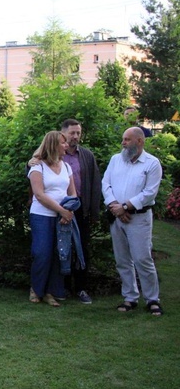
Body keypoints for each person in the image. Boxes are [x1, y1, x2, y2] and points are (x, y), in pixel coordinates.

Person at [102, 127, 163, 316]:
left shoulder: (152, 164)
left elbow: (149, 193)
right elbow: (106, 183)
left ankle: (152, 299)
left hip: (138, 218)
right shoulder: (115, 160)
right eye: (123, 139)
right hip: (117, 215)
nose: (123, 143)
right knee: (122, 260)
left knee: (142, 258)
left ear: (140, 141)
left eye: (127, 140)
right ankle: (130, 297)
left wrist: (126, 207)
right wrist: (115, 205)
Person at [26, 130, 76, 307]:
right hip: (42, 215)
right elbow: (39, 195)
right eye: (63, 143)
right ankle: (36, 289)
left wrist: (67, 212)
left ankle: (50, 292)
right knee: (42, 253)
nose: (66, 145)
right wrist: (62, 211)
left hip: (62, 217)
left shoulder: (67, 167)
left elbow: (72, 193)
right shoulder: (37, 167)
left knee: (58, 254)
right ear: (53, 145)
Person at [60, 118, 101, 303]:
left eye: (78, 133)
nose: (75, 136)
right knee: (63, 248)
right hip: (60, 209)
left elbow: (95, 184)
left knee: (81, 249)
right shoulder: (56, 155)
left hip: (81, 209)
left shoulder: (86, 156)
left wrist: (93, 211)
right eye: (72, 133)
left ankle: (82, 288)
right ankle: (64, 287)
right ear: (63, 134)